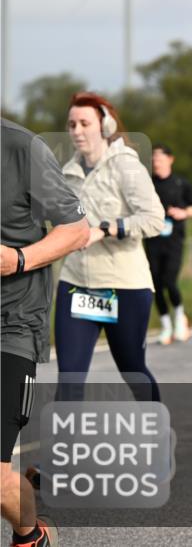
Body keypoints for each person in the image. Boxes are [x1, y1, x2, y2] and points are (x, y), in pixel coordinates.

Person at [2, 118, 89, 547]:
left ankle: (30, 534)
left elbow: (76, 230)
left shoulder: (23, 149)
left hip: (11, 326)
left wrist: (18, 259)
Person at [55, 92, 166, 403]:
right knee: (69, 379)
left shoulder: (126, 166)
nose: (76, 130)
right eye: (72, 124)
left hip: (124, 285)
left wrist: (107, 228)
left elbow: (154, 219)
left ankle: (158, 435)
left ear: (105, 125)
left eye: (84, 123)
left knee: (133, 368)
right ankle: (68, 451)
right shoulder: (67, 173)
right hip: (77, 284)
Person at [144, 144, 192, 345]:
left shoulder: (180, 183)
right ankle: (166, 326)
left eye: (159, 158)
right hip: (152, 240)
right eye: (153, 158)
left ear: (170, 159)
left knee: (169, 280)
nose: (155, 162)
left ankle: (179, 319)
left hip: (174, 239)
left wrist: (183, 213)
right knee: (156, 284)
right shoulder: (147, 184)